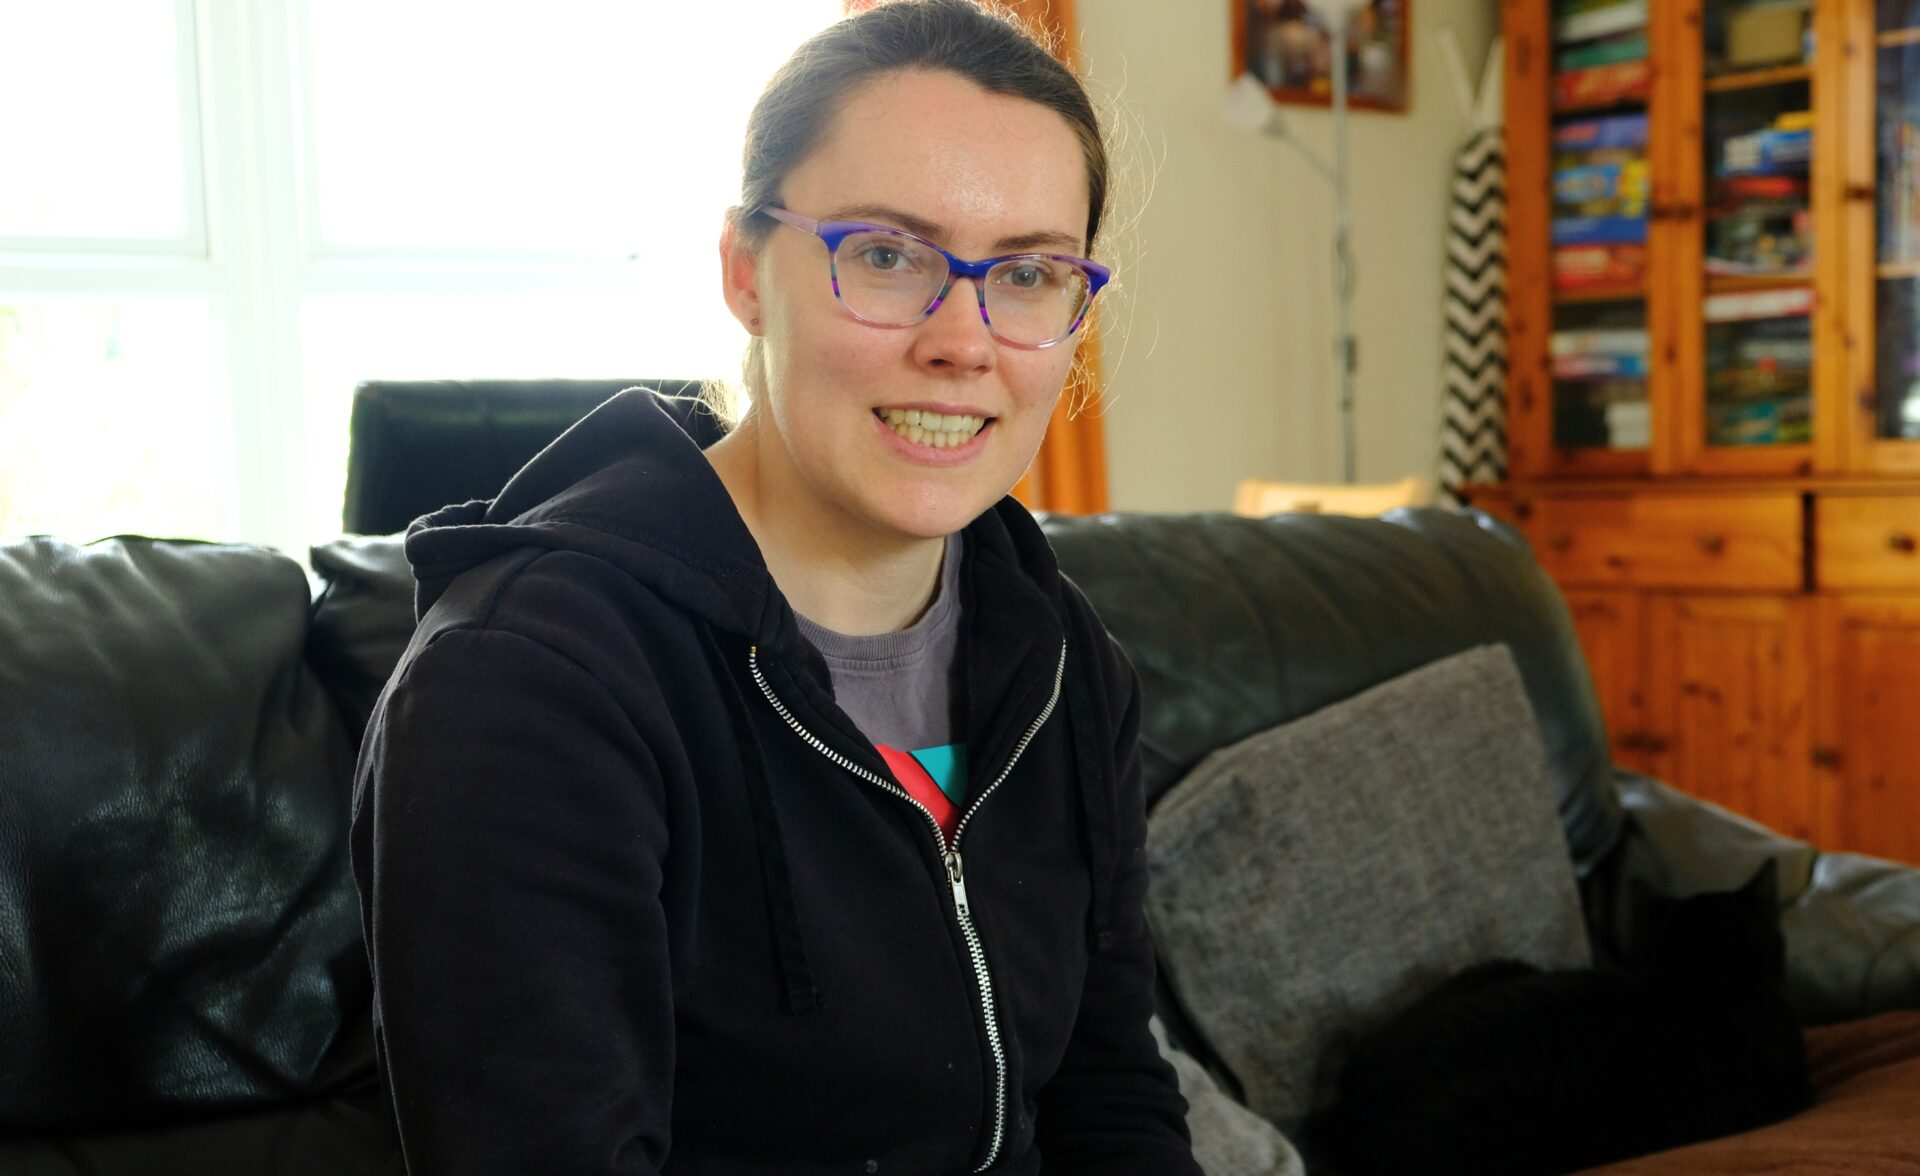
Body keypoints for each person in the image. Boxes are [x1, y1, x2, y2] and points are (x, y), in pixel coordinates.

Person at [349, 1, 1201, 1172]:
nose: (967, 341)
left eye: (1031, 273)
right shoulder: (525, 685)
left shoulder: (1058, 656)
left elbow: (1111, 1099)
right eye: (888, 256)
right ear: (746, 271)